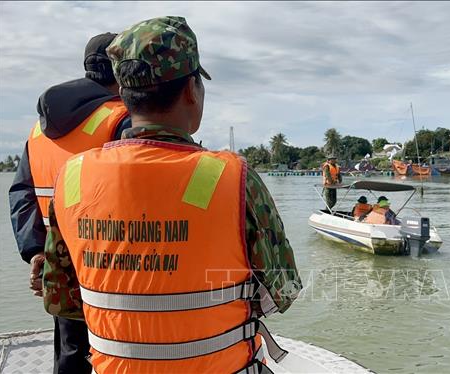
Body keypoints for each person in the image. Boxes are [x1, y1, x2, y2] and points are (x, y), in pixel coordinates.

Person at [42, 16, 302, 373]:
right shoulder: (233, 177)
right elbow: (283, 291)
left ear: (124, 94)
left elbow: (60, 298)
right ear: (191, 90)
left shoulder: (71, 177)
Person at [8, 32, 131, 374]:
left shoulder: (39, 130)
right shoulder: (121, 120)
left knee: (70, 357)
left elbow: (21, 193)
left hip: (59, 267)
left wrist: (36, 252)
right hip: (109, 269)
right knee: (118, 357)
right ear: (123, 70)